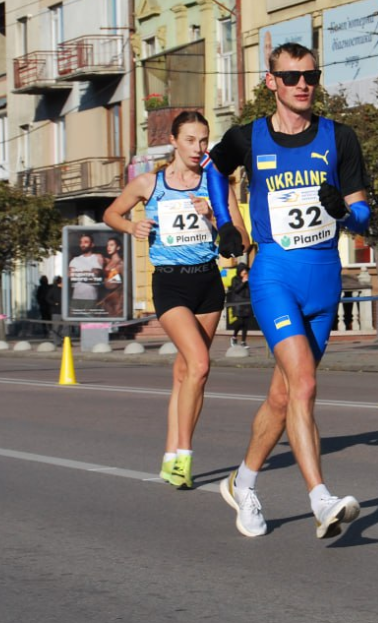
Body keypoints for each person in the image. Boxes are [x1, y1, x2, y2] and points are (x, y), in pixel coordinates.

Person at [206, 42, 371, 539]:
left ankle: (243, 483)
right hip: (274, 273)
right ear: (272, 82)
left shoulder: (340, 139)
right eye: (292, 76)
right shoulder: (247, 137)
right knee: (304, 385)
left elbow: (363, 216)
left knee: (282, 398)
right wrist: (225, 222)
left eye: (311, 76)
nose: (303, 84)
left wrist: (342, 210)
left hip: (324, 279)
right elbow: (215, 169)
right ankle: (321, 499)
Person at [103, 110, 244, 490]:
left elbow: (239, 241)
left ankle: (170, 454)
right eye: (191, 140)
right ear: (174, 141)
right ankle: (183, 455)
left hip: (208, 284)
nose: (199, 148)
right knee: (199, 364)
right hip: (170, 284)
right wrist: (132, 225)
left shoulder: (216, 184)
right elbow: (111, 213)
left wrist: (215, 218)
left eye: (204, 140)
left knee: (187, 373)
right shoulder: (149, 183)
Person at [68, 233, 105, 316]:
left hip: (91, 298)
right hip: (76, 298)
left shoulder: (97, 258)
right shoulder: (75, 260)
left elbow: (95, 278)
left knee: (89, 325)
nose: (83, 244)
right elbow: (71, 277)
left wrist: (78, 274)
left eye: (86, 242)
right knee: (75, 326)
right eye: (81, 242)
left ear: (92, 245)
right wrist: (88, 273)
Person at [226, 263, 252, 347]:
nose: (245, 272)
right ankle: (234, 337)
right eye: (243, 271)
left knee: (246, 323)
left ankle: (243, 341)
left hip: (247, 302)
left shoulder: (249, 279)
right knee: (240, 321)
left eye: (246, 271)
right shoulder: (235, 279)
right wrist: (243, 282)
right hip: (238, 303)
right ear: (239, 271)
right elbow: (236, 290)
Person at [99, 237, 125, 318]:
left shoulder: (121, 263)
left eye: (112, 245)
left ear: (118, 247)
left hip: (115, 298)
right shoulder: (107, 261)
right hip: (105, 297)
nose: (109, 247)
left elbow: (125, 282)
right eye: (107, 245)